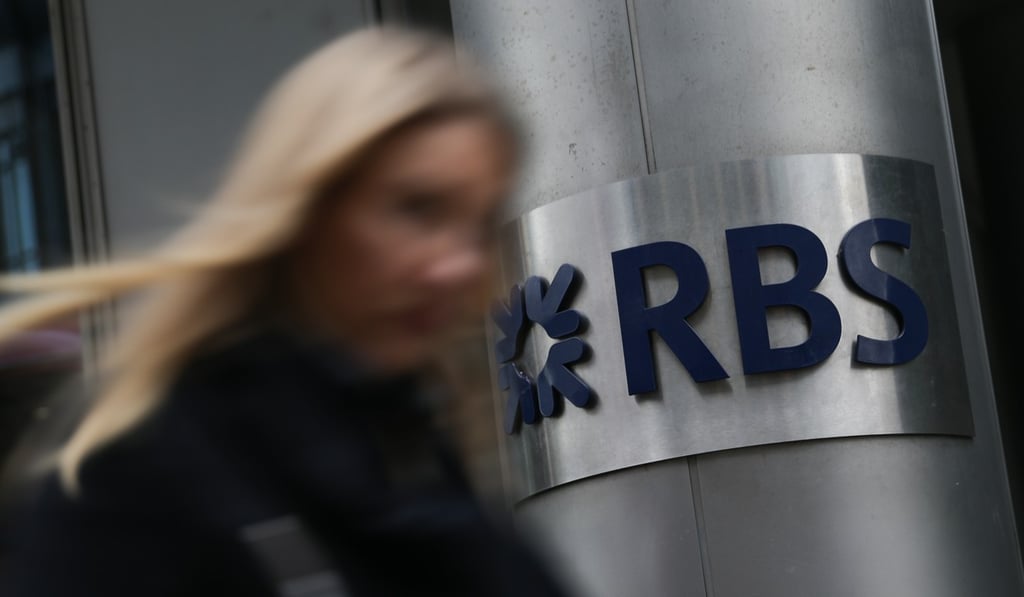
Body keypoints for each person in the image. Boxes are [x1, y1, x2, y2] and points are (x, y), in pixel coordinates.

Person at [0, 27, 569, 596]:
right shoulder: (146, 471)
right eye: (417, 209)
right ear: (307, 208)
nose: (459, 266)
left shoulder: (425, 467)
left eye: (477, 225)